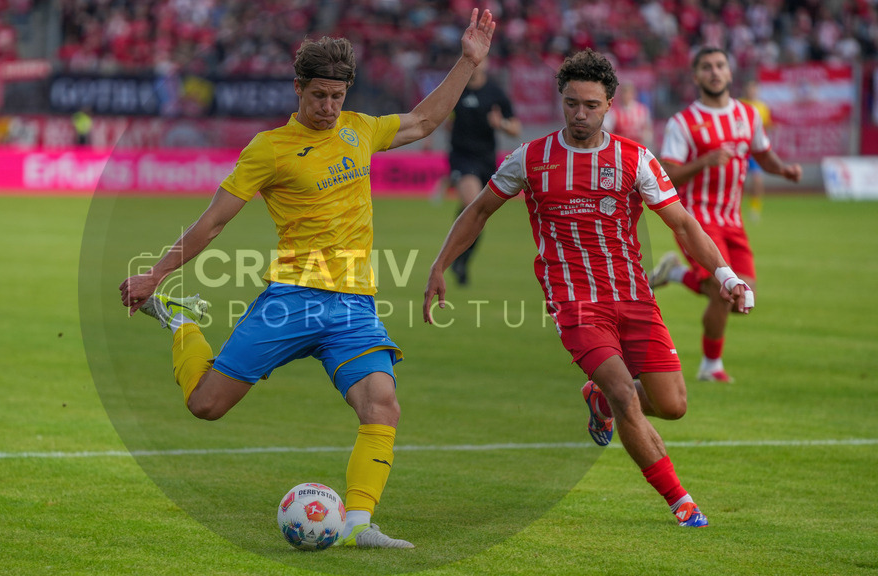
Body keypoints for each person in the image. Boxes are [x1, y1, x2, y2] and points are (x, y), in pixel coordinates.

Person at [118, 9, 496, 549]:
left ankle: (360, 526)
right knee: (206, 405)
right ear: (298, 88)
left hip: (354, 307)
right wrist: (156, 275)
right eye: (319, 95)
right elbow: (214, 220)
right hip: (291, 298)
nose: (328, 107)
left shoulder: (360, 131)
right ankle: (180, 320)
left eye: (337, 96)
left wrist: (467, 61)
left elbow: (423, 121)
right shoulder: (269, 149)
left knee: (381, 403)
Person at [423, 48, 755, 527]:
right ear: (561, 100)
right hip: (575, 303)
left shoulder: (634, 158)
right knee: (624, 393)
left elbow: (683, 224)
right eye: (572, 103)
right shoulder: (531, 158)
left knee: (673, 405)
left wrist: (725, 275)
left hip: (635, 297)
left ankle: (596, 399)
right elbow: (477, 211)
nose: (580, 114)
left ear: (609, 105)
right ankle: (681, 502)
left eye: (591, 105)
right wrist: (439, 265)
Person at [649, 47, 801, 383]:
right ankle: (710, 366)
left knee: (745, 297)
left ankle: (674, 274)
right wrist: (705, 160)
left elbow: (762, 152)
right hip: (697, 220)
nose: (715, 72)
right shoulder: (683, 122)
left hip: (733, 220)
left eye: (720, 66)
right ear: (696, 76)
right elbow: (667, 175)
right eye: (706, 67)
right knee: (723, 290)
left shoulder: (748, 116)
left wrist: (784, 170)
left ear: (730, 73)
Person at [445, 57, 521, 286]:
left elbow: (516, 128)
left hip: (486, 159)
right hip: (462, 157)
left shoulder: (495, 93)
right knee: (472, 203)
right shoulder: (455, 89)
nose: (477, 64)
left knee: (479, 215)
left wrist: (502, 125)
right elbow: (444, 117)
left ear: (487, 63)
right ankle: (456, 256)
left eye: (482, 60)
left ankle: (462, 259)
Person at [739, 79, 771, 223]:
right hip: (740, 148)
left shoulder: (762, 107)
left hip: (754, 151)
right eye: (749, 89)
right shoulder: (739, 104)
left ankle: (755, 209)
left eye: (754, 89)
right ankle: (734, 208)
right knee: (736, 180)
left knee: (757, 180)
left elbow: (765, 126)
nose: (751, 91)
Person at [603, 81, 653, 148]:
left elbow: (648, 131)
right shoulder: (614, 111)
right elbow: (607, 130)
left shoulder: (642, 110)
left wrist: (644, 136)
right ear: (620, 94)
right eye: (624, 92)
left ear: (633, 94)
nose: (626, 95)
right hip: (620, 148)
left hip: (637, 147)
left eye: (629, 92)